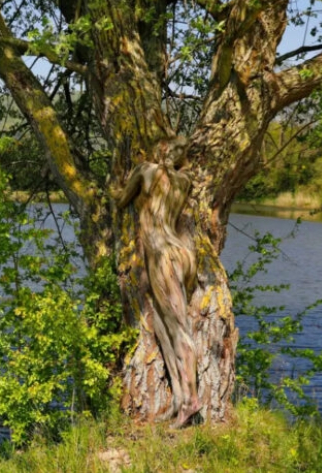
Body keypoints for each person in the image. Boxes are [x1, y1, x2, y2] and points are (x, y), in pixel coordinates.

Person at [113, 137, 201, 428]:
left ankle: (191, 402)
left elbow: (120, 200)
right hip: (181, 252)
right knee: (164, 327)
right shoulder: (184, 181)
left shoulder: (145, 170)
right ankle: (179, 398)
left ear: (162, 151)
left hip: (162, 254)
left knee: (179, 329)